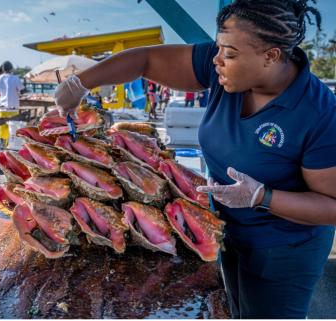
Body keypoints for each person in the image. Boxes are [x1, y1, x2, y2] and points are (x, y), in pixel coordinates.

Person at [53, 0, 336, 318]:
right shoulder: (224, 67)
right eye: (218, 48)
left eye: (228, 54)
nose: (215, 60)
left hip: (284, 251)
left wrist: (262, 197)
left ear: (271, 56)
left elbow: (331, 205)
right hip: (229, 230)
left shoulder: (319, 113)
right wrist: (81, 83)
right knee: (235, 310)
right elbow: (145, 59)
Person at [0, 61, 25, 144]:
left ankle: (2, 144)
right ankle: (11, 144)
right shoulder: (15, 78)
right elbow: (22, 90)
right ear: (11, 69)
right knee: (13, 127)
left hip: (2, 107)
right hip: (14, 107)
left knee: (2, 127)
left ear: (3, 69)